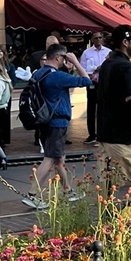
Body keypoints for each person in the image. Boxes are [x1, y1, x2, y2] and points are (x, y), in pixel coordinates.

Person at [22, 44, 91, 209]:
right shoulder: (57, 76)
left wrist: (67, 69)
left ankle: (68, 190)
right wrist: (76, 62)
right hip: (58, 122)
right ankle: (32, 194)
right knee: (50, 158)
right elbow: (86, 81)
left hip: (44, 120)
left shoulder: (40, 73)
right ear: (59, 58)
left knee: (58, 158)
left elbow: (55, 89)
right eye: (64, 58)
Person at [97, 25, 131, 188]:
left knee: (108, 184)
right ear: (125, 42)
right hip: (125, 137)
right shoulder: (126, 67)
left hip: (105, 134)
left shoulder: (108, 64)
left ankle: (105, 214)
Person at [80, 32, 111, 145]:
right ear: (92, 40)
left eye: (100, 37)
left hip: (104, 83)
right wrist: (89, 74)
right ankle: (92, 134)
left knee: (103, 108)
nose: (98, 40)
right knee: (91, 108)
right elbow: (82, 68)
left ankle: (103, 134)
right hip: (92, 82)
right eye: (95, 38)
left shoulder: (108, 52)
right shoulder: (86, 53)